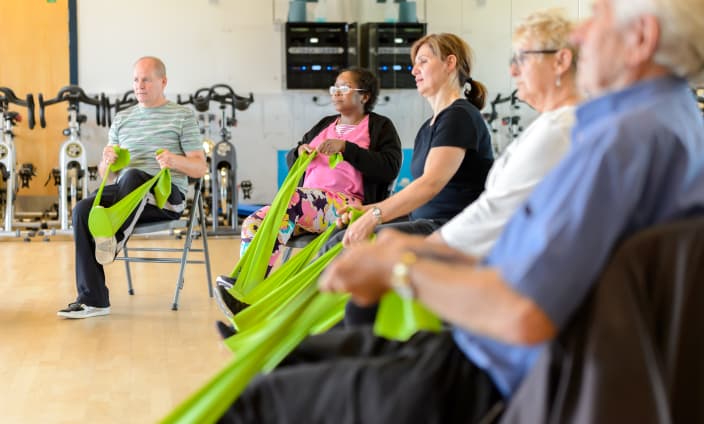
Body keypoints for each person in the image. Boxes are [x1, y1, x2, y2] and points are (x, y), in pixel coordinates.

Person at [216, 0, 704, 421]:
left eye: (596, 15)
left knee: (255, 399)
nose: (579, 33)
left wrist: (402, 265)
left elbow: (524, 311)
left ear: (640, 38)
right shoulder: (664, 125)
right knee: (292, 358)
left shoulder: (620, 141)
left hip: (488, 371)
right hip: (498, 352)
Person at [345, 9, 581, 326]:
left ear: (562, 62)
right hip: (473, 245)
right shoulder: (549, 127)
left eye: (523, 58)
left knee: (359, 288)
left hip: (478, 250)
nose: (512, 71)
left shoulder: (559, 129)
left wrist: (411, 247)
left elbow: (484, 207)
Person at [213, 67, 401, 318]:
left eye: (344, 88)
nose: (336, 93)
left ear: (364, 96)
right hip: (306, 206)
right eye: (334, 88)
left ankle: (246, 289)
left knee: (294, 199)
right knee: (254, 223)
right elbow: (296, 155)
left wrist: (347, 148)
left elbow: (389, 167)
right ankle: (247, 292)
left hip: (348, 207)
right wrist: (298, 152)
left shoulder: (380, 127)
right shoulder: (324, 124)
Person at [58, 56, 207, 319]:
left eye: (146, 79)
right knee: (83, 209)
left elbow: (200, 168)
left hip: (165, 198)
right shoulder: (122, 119)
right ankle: (94, 300)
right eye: (136, 79)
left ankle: (112, 239)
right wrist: (107, 162)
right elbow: (109, 176)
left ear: (163, 82)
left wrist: (174, 160)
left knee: (135, 175)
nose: (140, 85)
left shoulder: (182, 116)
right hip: (129, 197)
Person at [336, 33, 494, 248]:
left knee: (340, 247)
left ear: (449, 63)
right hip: (426, 223)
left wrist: (374, 215)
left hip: (451, 229)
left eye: (423, 61)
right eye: (414, 64)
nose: (414, 70)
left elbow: (430, 184)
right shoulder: (428, 127)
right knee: (338, 236)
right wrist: (365, 211)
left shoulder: (459, 116)